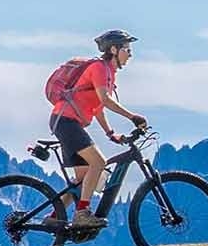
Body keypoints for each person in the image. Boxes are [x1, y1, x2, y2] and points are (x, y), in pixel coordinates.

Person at [49, 30, 150, 231]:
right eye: (127, 49)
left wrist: (110, 133)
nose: (130, 54)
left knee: (82, 179)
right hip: (66, 122)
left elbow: (97, 108)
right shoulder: (99, 68)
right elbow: (105, 100)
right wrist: (132, 117)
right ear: (114, 49)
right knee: (99, 163)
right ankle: (82, 214)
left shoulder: (109, 73)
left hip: (67, 123)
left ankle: (53, 217)